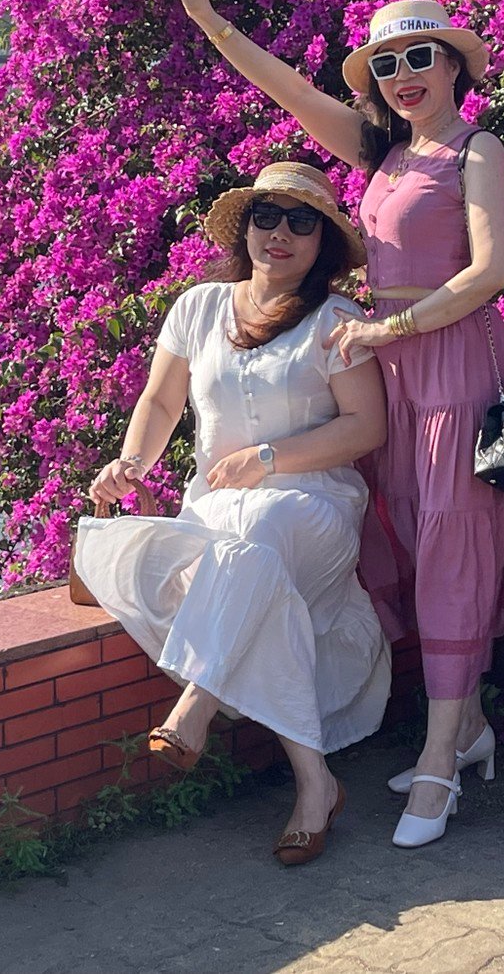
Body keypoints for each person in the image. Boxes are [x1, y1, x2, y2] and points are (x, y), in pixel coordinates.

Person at [161, 0, 504, 848]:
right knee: (418, 540)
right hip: (391, 368)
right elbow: (284, 88)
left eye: (420, 58)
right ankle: (466, 728)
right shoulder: (384, 153)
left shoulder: (475, 148)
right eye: (387, 63)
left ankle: (439, 763)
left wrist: (390, 326)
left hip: (450, 362)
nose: (403, 75)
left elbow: (493, 272)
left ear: (452, 68)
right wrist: (210, 21)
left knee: (451, 549)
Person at [70, 161, 390, 867]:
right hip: (220, 514)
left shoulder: (337, 320)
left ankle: (196, 703)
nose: (281, 234)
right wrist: (133, 463)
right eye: (267, 217)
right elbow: (159, 402)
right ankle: (316, 785)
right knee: (252, 558)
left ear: (324, 243)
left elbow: (367, 427)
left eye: (302, 222)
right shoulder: (199, 307)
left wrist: (268, 461)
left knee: (264, 531)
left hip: (316, 506)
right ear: (245, 227)